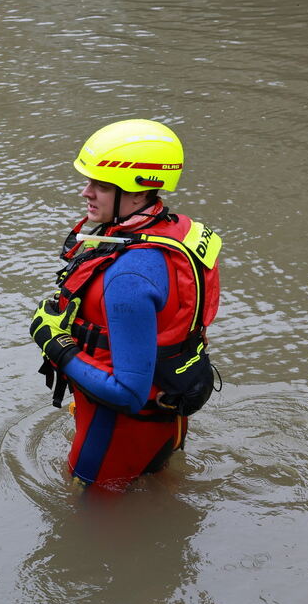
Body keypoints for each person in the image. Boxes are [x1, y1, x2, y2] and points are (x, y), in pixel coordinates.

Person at [29, 119, 221, 492]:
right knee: (158, 497)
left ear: (138, 192)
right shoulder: (172, 233)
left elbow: (128, 394)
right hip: (168, 414)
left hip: (115, 433)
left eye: (101, 185)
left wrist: (55, 344)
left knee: (86, 532)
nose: (86, 192)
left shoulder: (129, 277)